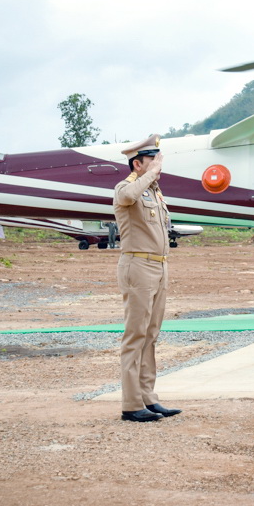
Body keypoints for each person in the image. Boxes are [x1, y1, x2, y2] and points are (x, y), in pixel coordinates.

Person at [114, 134, 181, 422]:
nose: (158, 167)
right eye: (152, 161)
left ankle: (148, 397)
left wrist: (152, 177)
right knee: (136, 335)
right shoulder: (125, 188)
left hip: (159, 266)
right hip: (138, 266)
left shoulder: (154, 192)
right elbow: (127, 197)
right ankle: (131, 403)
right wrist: (150, 174)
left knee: (151, 335)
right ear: (137, 164)